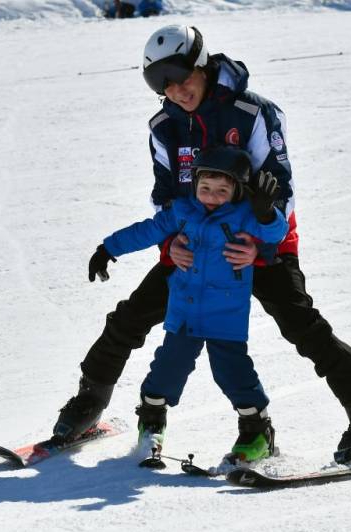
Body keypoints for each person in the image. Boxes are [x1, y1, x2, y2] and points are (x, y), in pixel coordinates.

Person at [54, 25, 351, 464]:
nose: (177, 91)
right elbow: (166, 197)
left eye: (182, 77)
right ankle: (89, 404)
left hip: (260, 244)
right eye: (164, 84)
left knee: (302, 326)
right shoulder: (164, 127)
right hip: (196, 246)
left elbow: (283, 189)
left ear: (202, 65)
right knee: (130, 318)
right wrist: (174, 243)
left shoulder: (254, 114)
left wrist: (260, 245)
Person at [92, 146, 287, 463]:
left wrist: (266, 212)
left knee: (232, 373)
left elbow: (275, 232)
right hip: (184, 314)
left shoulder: (244, 216)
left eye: (222, 190)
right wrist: (109, 248)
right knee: (167, 370)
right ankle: (152, 425)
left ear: (236, 190)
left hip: (225, 316)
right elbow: (148, 230)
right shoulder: (183, 212)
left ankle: (256, 432)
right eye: (205, 188)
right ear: (194, 185)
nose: (212, 196)